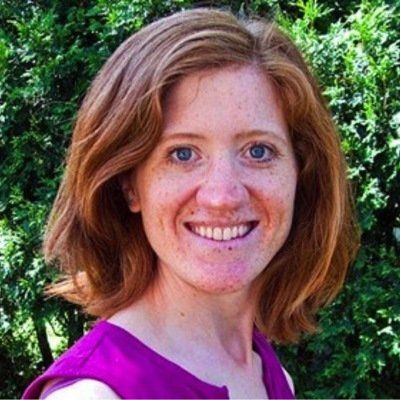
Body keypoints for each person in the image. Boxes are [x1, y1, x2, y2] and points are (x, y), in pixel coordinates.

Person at [22, 8, 359, 400]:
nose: (223, 196)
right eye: (182, 154)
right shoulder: (94, 395)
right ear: (129, 185)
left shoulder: (269, 374)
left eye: (259, 151)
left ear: (301, 173)